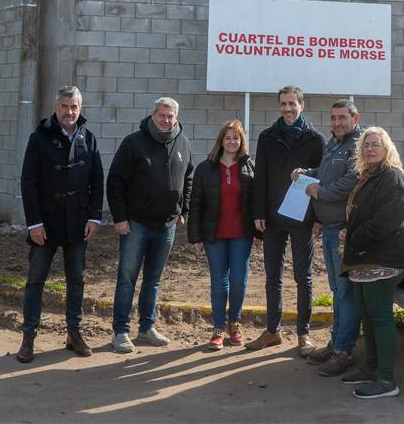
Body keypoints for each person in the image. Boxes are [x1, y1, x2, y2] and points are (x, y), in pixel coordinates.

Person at [17, 86, 103, 363]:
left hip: (77, 223)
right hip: (46, 222)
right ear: (56, 107)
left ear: (81, 108)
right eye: (65, 106)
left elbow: (97, 180)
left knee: (76, 280)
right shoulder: (39, 138)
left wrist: (93, 217)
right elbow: (28, 183)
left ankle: (73, 333)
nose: (69, 112)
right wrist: (34, 223)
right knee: (36, 280)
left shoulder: (87, 138)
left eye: (74, 107)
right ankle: (28, 336)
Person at [106, 97, 193, 353]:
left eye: (171, 116)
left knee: (153, 280)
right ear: (152, 115)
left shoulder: (183, 142)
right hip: (136, 225)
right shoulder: (133, 143)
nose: (166, 120)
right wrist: (120, 218)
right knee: (127, 279)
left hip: (166, 226)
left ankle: (146, 328)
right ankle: (120, 330)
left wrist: (183, 210)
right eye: (162, 115)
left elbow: (188, 177)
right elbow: (116, 182)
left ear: (176, 117)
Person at [245, 86, 325, 354]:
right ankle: (273, 331)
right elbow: (261, 178)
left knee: (304, 277)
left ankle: (304, 334)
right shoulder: (267, 137)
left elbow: (321, 181)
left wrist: (319, 218)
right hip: (273, 217)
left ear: (302, 105)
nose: (288, 109)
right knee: (272, 277)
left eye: (292, 104)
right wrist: (258, 213)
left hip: (303, 218)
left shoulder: (315, 139)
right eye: (283, 104)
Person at [290, 99, 363, 376]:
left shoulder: (359, 145)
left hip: (345, 230)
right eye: (333, 118)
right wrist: (306, 174)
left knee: (346, 293)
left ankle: (344, 350)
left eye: (342, 117)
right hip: (330, 228)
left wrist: (320, 193)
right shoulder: (334, 144)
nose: (336, 123)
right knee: (336, 290)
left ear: (355, 118)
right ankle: (336, 343)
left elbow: (351, 182)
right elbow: (323, 173)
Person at [339, 127, 404, 399]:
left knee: (380, 317)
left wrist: (355, 236)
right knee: (367, 315)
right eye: (366, 145)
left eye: (376, 145)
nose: (370, 149)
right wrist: (351, 231)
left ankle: (386, 381)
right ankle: (371, 369)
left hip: (384, 259)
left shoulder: (392, 177)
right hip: (363, 257)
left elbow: (389, 220)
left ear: (387, 149)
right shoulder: (369, 176)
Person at [187, 119, 256, 350]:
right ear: (221, 140)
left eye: (236, 137)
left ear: (241, 141)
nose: (232, 141)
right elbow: (195, 203)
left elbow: (257, 202)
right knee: (219, 283)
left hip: (241, 234)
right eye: (228, 137)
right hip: (214, 235)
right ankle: (218, 328)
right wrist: (195, 236)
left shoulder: (249, 167)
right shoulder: (206, 168)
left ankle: (234, 324)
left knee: (238, 281)